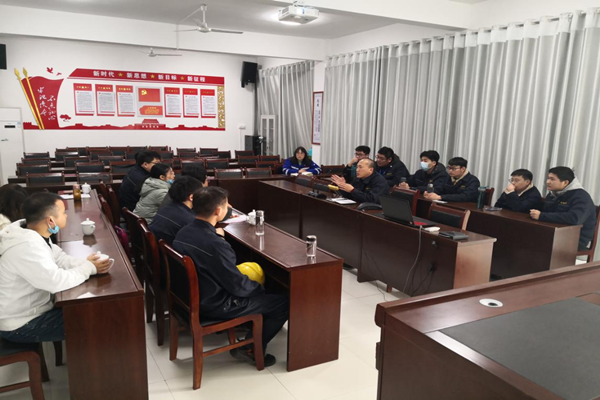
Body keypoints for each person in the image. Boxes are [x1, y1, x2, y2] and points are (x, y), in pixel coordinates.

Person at [173, 187, 288, 367]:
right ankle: (250, 349)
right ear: (218, 211)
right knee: (282, 303)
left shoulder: (184, 231)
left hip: (187, 298)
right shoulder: (215, 244)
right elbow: (237, 286)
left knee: (261, 290)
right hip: (215, 304)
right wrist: (260, 289)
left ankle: (253, 326)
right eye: (227, 206)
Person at [0, 192, 112, 343]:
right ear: (51, 220)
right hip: (20, 324)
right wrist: (89, 268)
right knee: (97, 319)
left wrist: (88, 263)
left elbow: (60, 258)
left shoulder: (33, 233)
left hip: (33, 311)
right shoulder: (27, 247)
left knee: (93, 309)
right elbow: (55, 281)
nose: (66, 216)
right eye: (63, 213)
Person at [530, 167, 596, 251]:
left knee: (534, 243)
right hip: (553, 233)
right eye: (548, 178)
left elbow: (574, 218)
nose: (548, 182)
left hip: (575, 239)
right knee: (526, 237)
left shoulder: (581, 196)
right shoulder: (552, 194)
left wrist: (541, 216)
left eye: (552, 179)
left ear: (565, 182)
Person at [149, 176, 204, 245]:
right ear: (191, 197)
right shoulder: (189, 219)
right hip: (168, 249)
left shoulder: (166, 206)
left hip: (155, 246)